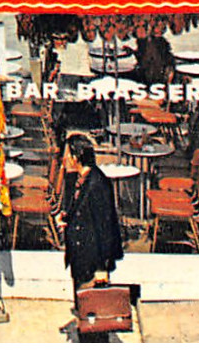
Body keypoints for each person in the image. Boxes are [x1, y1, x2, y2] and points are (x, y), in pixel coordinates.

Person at [60, 133, 124, 341]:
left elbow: (106, 230)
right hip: (80, 261)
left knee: (94, 323)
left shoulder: (97, 184)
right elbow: (82, 213)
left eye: (67, 154)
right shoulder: (79, 180)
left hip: (91, 263)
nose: (64, 159)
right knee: (85, 317)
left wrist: (102, 269)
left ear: (76, 157)